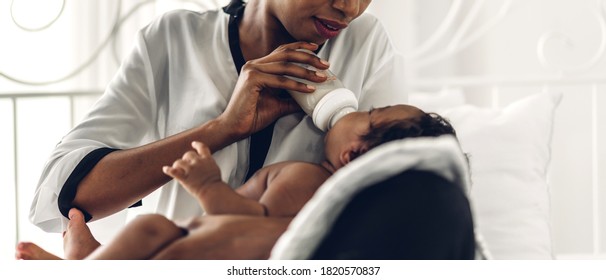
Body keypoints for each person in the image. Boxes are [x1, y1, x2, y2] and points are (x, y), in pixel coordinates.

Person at [27, 0, 474, 259]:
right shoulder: (174, 39)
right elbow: (63, 193)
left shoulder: (365, 44)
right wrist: (223, 128)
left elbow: (398, 194)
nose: (350, 7)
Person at [17, 104, 461, 260]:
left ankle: (84, 270)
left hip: (207, 252)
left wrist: (208, 186)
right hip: (195, 246)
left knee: (147, 229)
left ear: (353, 152)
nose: (355, 110)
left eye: (368, 115)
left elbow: (247, 223)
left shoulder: (306, 180)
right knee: (147, 233)